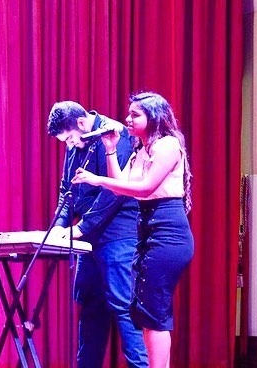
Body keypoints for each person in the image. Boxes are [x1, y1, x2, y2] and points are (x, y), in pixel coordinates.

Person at [72, 92, 194, 368]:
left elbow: (145, 188)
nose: (127, 119)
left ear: (154, 117)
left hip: (168, 233)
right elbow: (120, 186)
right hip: (149, 232)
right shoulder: (140, 149)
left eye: (135, 115)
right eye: (128, 114)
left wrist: (96, 179)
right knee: (147, 313)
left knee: (154, 314)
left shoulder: (167, 144)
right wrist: (111, 149)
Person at [46, 101, 148, 368]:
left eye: (70, 138)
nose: (69, 145)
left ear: (81, 123)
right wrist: (58, 226)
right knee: (90, 307)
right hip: (88, 239)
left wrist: (81, 227)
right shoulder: (75, 147)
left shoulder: (113, 134)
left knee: (124, 309)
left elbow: (114, 192)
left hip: (118, 236)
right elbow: (66, 192)